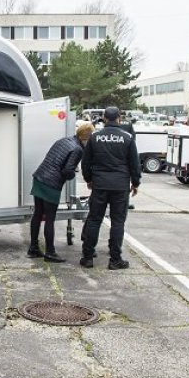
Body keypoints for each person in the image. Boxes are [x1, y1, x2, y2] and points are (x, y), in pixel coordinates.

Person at [80, 106, 141, 269]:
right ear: (119, 118)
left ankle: (87, 257)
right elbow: (135, 164)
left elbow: (86, 162)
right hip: (120, 186)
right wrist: (135, 183)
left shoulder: (95, 137)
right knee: (118, 222)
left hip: (99, 185)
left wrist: (89, 179)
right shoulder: (127, 138)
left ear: (104, 118)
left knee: (94, 220)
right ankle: (115, 260)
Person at [27, 122, 94, 262]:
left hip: (39, 177)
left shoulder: (64, 140)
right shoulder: (78, 149)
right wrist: (75, 172)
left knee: (37, 215)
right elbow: (67, 170)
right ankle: (50, 252)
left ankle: (33, 248)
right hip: (51, 184)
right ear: (86, 138)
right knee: (50, 219)